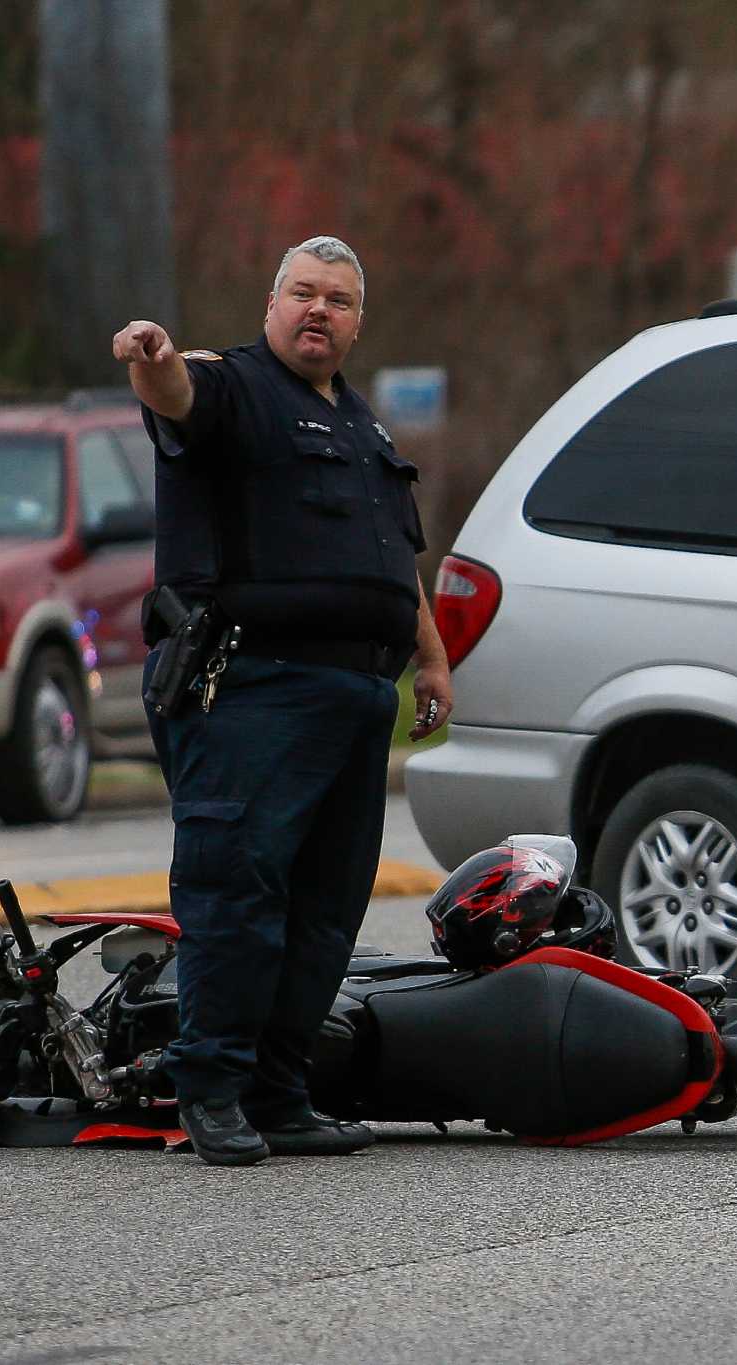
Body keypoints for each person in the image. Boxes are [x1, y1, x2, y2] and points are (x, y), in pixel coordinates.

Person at [111, 235, 453, 1165]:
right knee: (238, 893)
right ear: (271, 306)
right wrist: (156, 359)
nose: (318, 311)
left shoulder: (361, 424)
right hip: (251, 686)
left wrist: (430, 659)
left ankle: (278, 1090)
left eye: (338, 300)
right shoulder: (234, 385)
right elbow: (177, 400)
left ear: (357, 324)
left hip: (355, 695)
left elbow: (395, 556)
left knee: (325, 906)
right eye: (302, 293)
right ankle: (211, 1089)